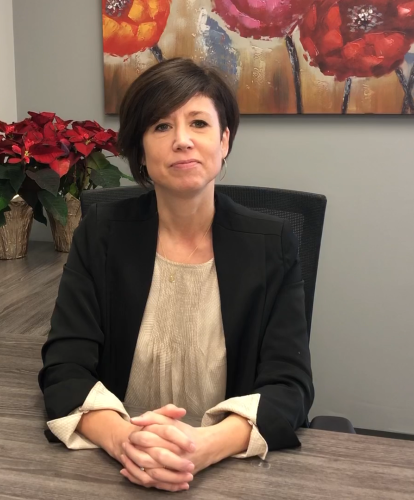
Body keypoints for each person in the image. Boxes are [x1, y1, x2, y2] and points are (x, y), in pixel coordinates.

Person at [38, 57, 313, 492]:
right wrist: (126, 441)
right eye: (161, 127)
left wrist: (203, 446)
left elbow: (289, 386)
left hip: (228, 474)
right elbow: (65, 368)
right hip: (116, 472)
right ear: (141, 153)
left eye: (199, 124)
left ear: (225, 141)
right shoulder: (101, 234)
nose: (182, 141)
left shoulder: (272, 243)